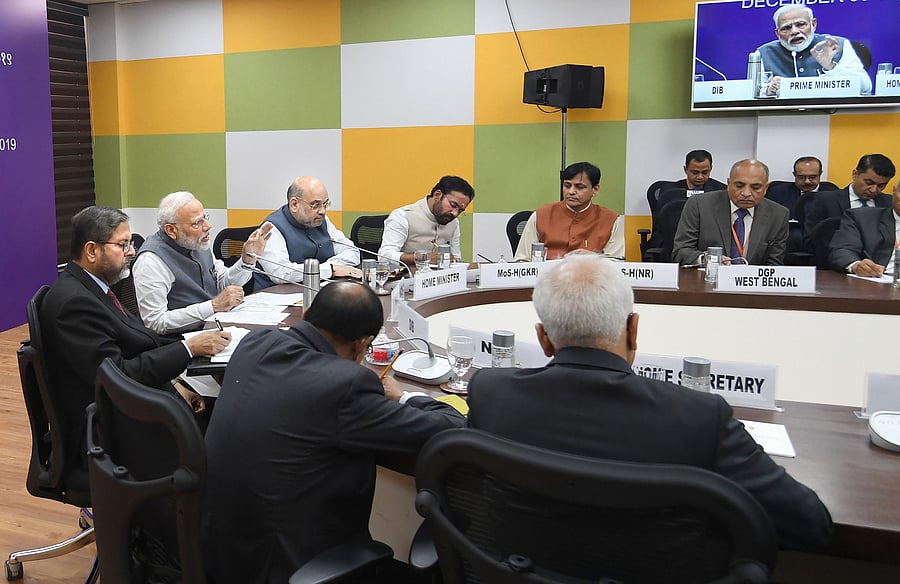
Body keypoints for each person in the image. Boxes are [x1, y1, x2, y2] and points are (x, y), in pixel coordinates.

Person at [466, 254, 833, 550]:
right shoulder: (702, 417)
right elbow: (810, 524)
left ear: (543, 338)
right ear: (634, 329)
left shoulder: (491, 392)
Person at [203, 281, 466, 583]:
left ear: (305, 315)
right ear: (362, 344)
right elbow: (449, 427)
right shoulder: (346, 385)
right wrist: (405, 397)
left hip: (218, 548)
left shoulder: (256, 342)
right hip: (289, 565)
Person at [40, 206, 231, 476]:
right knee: (226, 433)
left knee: (221, 417)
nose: (132, 252)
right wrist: (189, 348)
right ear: (92, 250)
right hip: (112, 430)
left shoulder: (95, 288)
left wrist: (175, 384)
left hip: (134, 403)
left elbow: (134, 348)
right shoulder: (74, 303)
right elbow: (116, 377)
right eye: (123, 244)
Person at [133, 191, 273, 335]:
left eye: (205, 217)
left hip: (214, 325)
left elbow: (223, 283)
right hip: (183, 340)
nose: (207, 226)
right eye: (197, 223)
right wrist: (213, 306)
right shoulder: (151, 261)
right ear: (171, 230)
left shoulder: (196, 243)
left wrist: (247, 259)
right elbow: (155, 322)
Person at [672, 159, 789, 266]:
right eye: (739, 185)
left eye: (755, 187)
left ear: (766, 188)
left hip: (751, 285)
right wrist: (707, 260)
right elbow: (681, 252)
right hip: (707, 281)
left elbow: (774, 264)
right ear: (728, 183)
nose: (746, 193)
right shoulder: (699, 205)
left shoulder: (778, 215)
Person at [254, 176, 362, 291]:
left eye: (325, 204)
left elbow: (352, 252)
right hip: (277, 298)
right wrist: (330, 269)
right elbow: (281, 273)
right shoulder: (272, 228)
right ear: (294, 204)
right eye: (315, 205)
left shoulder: (321, 220)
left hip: (319, 292)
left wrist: (331, 267)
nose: (322, 211)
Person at [513, 161, 624, 261]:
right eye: (567, 185)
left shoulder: (610, 220)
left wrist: (593, 259)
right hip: (547, 280)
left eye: (579, 187)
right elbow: (522, 260)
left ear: (595, 190)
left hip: (590, 281)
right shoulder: (540, 215)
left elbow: (616, 265)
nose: (571, 192)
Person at [757, 5, 872, 96]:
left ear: (813, 24)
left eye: (800, 24)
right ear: (777, 33)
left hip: (835, 118)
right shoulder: (763, 54)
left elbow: (865, 87)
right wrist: (768, 91)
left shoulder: (836, 45)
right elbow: (754, 93)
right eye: (786, 28)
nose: (794, 31)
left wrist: (831, 67)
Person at [802, 154, 895, 251]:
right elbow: (810, 240)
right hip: (835, 260)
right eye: (869, 183)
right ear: (855, 174)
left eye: (881, 186)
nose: (873, 190)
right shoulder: (825, 200)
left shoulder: (890, 204)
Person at [379, 175, 475, 267]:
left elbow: (457, 259)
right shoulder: (403, 216)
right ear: (437, 195)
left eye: (460, 210)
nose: (455, 213)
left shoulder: (454, 223)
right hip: (405, 279)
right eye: (453, 205)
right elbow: (384, 256)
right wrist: (423, 257)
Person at [829, 182, 900, 276]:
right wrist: (855, 265)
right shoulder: (862, 218)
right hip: (879, 282)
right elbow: (842, 250)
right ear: (894, 191)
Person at [765, 156, 835, 252]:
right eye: (801, 177)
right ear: (794, 175)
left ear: (820, 174)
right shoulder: (778, 191)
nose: (807, 181)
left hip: (821, 245)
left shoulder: (832, 193)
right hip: (786, 244)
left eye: (812, 177)